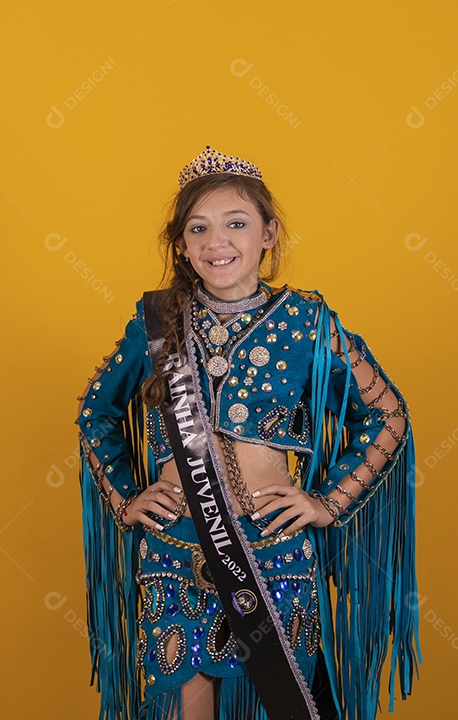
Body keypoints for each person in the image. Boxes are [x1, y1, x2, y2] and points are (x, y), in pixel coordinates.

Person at [76, 146, 420, 720]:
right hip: (177, 548)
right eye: (199, 229)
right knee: (191, 707)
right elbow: (96, 414)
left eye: (236, 224)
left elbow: (389, 416)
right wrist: (124, 499)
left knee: (283, 702)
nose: (218, 242)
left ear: (269, 234)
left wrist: (328, 503)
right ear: (182, 245)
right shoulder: (157, 325)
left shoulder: (311, 324)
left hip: (275, 549)